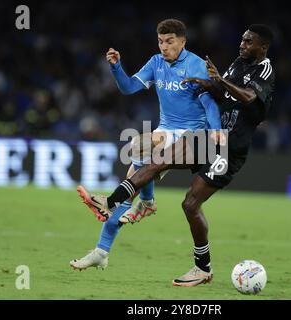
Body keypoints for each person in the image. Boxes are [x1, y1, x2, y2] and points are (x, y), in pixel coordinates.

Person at [76, 24, 276, 286]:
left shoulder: (263, 70)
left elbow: (248, 97)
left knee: (190, 204)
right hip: (201, 138)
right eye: (242, 39)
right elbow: (217, 94)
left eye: (248, 42)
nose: (242, 45)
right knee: (152, 161)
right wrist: (209, 84)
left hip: (227, 147)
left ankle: (202, 268)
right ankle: (111, 217)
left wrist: (215, 91)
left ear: (263, 47)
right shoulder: (236, 62)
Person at [69, 19, 222, 271]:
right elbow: (128, 88)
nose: (164, 47)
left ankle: (147, 203)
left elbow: (209, 103)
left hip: (192, 135)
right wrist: (116, 67)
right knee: (131, 186)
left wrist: (216, 130)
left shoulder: (197, 65)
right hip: (166, 129)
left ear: (183, 41)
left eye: (170, 41)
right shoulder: (156, 62)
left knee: (138, 148)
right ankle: (101, 251)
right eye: (161, 41)